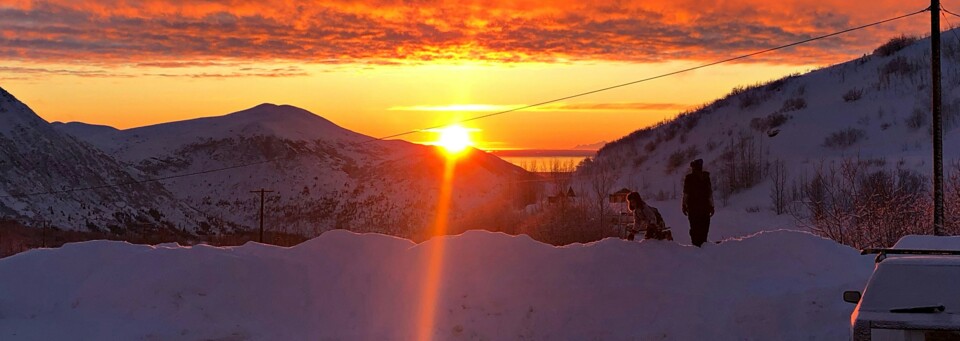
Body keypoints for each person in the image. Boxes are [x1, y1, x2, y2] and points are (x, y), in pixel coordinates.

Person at [682, 159, 714, 247]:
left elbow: (686, 193)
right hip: (705, 209)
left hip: (694, 209)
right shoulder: (706, 177)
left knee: (695, 230)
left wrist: (684, 205)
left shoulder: (689, 178)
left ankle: (697, 248)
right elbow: (709, 194)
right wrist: (711, 206)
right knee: (704, 230)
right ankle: (703, 247)